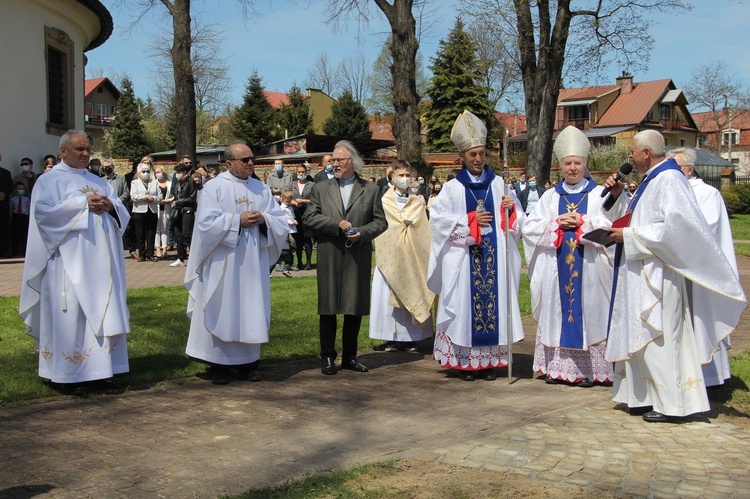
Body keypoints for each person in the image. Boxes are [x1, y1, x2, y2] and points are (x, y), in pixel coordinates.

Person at [603, 129, 746, 422]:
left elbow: (679, 230)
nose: (630, 156)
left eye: (633, 151)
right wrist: (618, 198)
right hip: (641, 270)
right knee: (643, 335)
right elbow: (642, 218)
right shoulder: (653, 180)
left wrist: (629, 235)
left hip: (659, 274)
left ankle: (673, 404)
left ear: (645, 153)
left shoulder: (669, 179)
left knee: (661, 337)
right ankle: (642, 396)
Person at [19, 130, 131, 395]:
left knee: (101, 313)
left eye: (87, 149)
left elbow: (120, 212)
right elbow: (44, 216)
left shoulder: (98, 181)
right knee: (71, 317)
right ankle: (65, 375)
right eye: (79, 149)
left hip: (102, 264)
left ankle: (101, 372)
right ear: (63, 152)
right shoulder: (48, 181)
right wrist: (82, 204)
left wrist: (110, 207)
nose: (85, 154)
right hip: (67, 263)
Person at [522, 126, 626, 387]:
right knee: (558, 313)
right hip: (556, 270)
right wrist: (556, 223)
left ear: (585, 164)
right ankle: (558, 369)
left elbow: (613, 223)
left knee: (591, 314)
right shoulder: (549, 196)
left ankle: (591, 371)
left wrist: (583, 222)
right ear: (560, 166)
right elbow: (530, 227)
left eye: (577, 163)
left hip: (590, 268)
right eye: (567, 163)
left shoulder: (599, 193)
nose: (572, 168)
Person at [427, 110, 525, 381]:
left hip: (496, 258)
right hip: (464, 260)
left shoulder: (501, 184)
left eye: (481, 153)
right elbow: (438, 222)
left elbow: (517, 221)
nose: (479, 159)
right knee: (464, 308)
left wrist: (511, 209)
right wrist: (469, 219)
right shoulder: (452, 189)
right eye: (473, 155)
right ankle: (465, 363)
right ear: (463, 157)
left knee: (494, 305)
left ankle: (489, 362)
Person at [184, 140, 289, 385]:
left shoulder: (261, 188)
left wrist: (264, 219)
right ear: (229, 163)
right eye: (245, 160)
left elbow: (279, 221)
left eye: (252, 159)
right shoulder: (214, 188)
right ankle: (218, 365)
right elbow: (206, 225)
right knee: (224, 305)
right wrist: (236, 220)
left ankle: (249, 364)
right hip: (225, 261)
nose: (251, 163)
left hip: (252, 263)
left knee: (250, 307)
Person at [303, 140, 388, 375]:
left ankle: (350, 357)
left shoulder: (370, 190)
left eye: (339, 160)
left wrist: (363, 233)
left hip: (356, 254)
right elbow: (309, 218)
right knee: (328, 306)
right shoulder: (321, 188)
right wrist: (335, 224)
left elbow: (381, 222)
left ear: (353, 162)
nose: (335, 163)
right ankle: (327, 357)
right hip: (330, 251)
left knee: (354, 306)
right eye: (333, 160)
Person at [668, 147, 738, 387]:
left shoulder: (707, 194)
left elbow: (704, 231)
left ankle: (708, 378)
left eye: (676, 167)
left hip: (700, 272)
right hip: (673, 267)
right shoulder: (672, 190)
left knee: (700, 321)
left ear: (689, 168)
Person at [369, 160, 434, 353]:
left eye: (408, 175)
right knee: (386, 295)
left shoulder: (416, 202)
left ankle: (411, 338)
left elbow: (425, 231)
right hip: (390, 257)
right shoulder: (383, 202)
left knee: (412, 288)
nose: (405, 179)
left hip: (411, 258)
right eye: (401, 175)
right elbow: (381, 228)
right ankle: (390, 338)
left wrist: (411, 231)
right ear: (392, 178)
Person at [130, 163, 161, 262]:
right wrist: (145, 197)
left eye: (147, 171)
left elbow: (160, 196)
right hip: (139, 211)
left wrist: (153, 198)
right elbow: (133, 196)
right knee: (140, 233)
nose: (146, 173)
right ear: (139, 173)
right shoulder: (134, 183)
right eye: (143, 171)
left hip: (152, 210)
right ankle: (142, 254)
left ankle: (150, 253)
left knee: (151, 232)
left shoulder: (154, 183)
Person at [170, 162, 198, 268]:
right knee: (178, 235)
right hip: (178, 211)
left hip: (187, 210)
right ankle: (180, 258)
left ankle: (195, 255)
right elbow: (175, 194)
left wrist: (179, 202)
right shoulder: (178, 183)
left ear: (185, 172)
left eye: (179, 172)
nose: (177, 174)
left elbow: (192, 198)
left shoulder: (190, 181)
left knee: (186, 234)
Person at [290, 164, 315, 270]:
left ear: (306, 173)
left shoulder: (312, 184)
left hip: (308, 213)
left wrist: (303, 201)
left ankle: (309, 262)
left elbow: (315, 200)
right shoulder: (292, 184)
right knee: (298, 239)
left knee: (307, 238)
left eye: (303, 172)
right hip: (296, 214)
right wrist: (295, 203)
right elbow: (286, 197)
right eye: (299, 172)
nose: (301, 174)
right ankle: (299, 262)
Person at [153, 165, 173, 259]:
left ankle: (164, 248)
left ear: (163, 172)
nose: (158, 174)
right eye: (156, 173)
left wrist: (168, 200)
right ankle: (157, 248)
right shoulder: (154, 183)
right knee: (157, 229)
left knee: (165, 228)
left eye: (159, 172)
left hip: (166, 207)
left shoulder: (170, 183)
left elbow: (174, 195)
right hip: (156, 207)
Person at [10, 181, 30, 256]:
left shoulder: (26, 199)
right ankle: (15, 251)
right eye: (19, 189)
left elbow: (28, 208)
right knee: (15, 234)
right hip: (16, 216)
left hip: (24, 216)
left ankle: (24, 250)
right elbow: (11, 209)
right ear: (15, 189)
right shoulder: (12, 199)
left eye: (22, 189)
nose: (21, 190)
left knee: (24, 234)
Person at [0, 153, 13, 257]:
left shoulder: (6, 173)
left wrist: (4, 193)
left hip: (3, 205)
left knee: (4, 229)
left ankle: (5, 251)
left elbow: (10, 186)